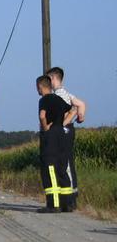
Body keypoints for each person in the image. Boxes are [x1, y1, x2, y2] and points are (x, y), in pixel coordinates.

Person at [36, 75, 75, 213]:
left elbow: (42, 115)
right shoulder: (59, 99)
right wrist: (63, 123)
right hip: (61, 134)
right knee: (62, 167)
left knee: (50, 168)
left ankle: (53, 204)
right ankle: (67, 204)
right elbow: (72, 109)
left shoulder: (44, 100)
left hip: (51, 136)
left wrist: (45, 127)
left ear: (40, 86)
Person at [47, 67, 86, 206]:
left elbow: (73, 110)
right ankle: (69, 197)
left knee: (65, 163)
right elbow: (81, 105)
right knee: (65, 162)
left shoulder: (60, 94)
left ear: (53, 78)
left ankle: (70, 198)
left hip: (63, 130)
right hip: (65, 129)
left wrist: (63, 123)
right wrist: (81, 116)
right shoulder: (66, 93)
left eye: (48, 80)